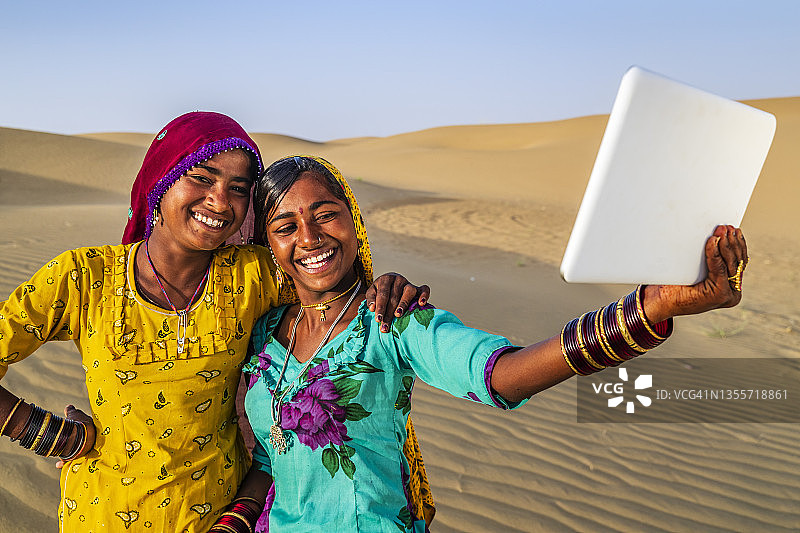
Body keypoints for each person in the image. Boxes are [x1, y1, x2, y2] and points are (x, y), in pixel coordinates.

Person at [226, 155, 747, 533]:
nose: (310, 237)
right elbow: (273, 459)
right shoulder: (266, 334)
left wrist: (649, 309)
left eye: (325, 214)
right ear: (268, 243)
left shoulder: (391, 320)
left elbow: (502, 375)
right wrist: (233, 523)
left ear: (353, 218)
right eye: (285, 225)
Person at [0, 113, 432, 532]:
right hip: (104, 513)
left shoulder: (255, 276)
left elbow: (332, 286)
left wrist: (387, 287)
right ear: (161, 180)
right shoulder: (84, 278)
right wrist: (44, 432)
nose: (221, 201)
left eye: (239, 188)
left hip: (223, 516)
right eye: (202, 178)